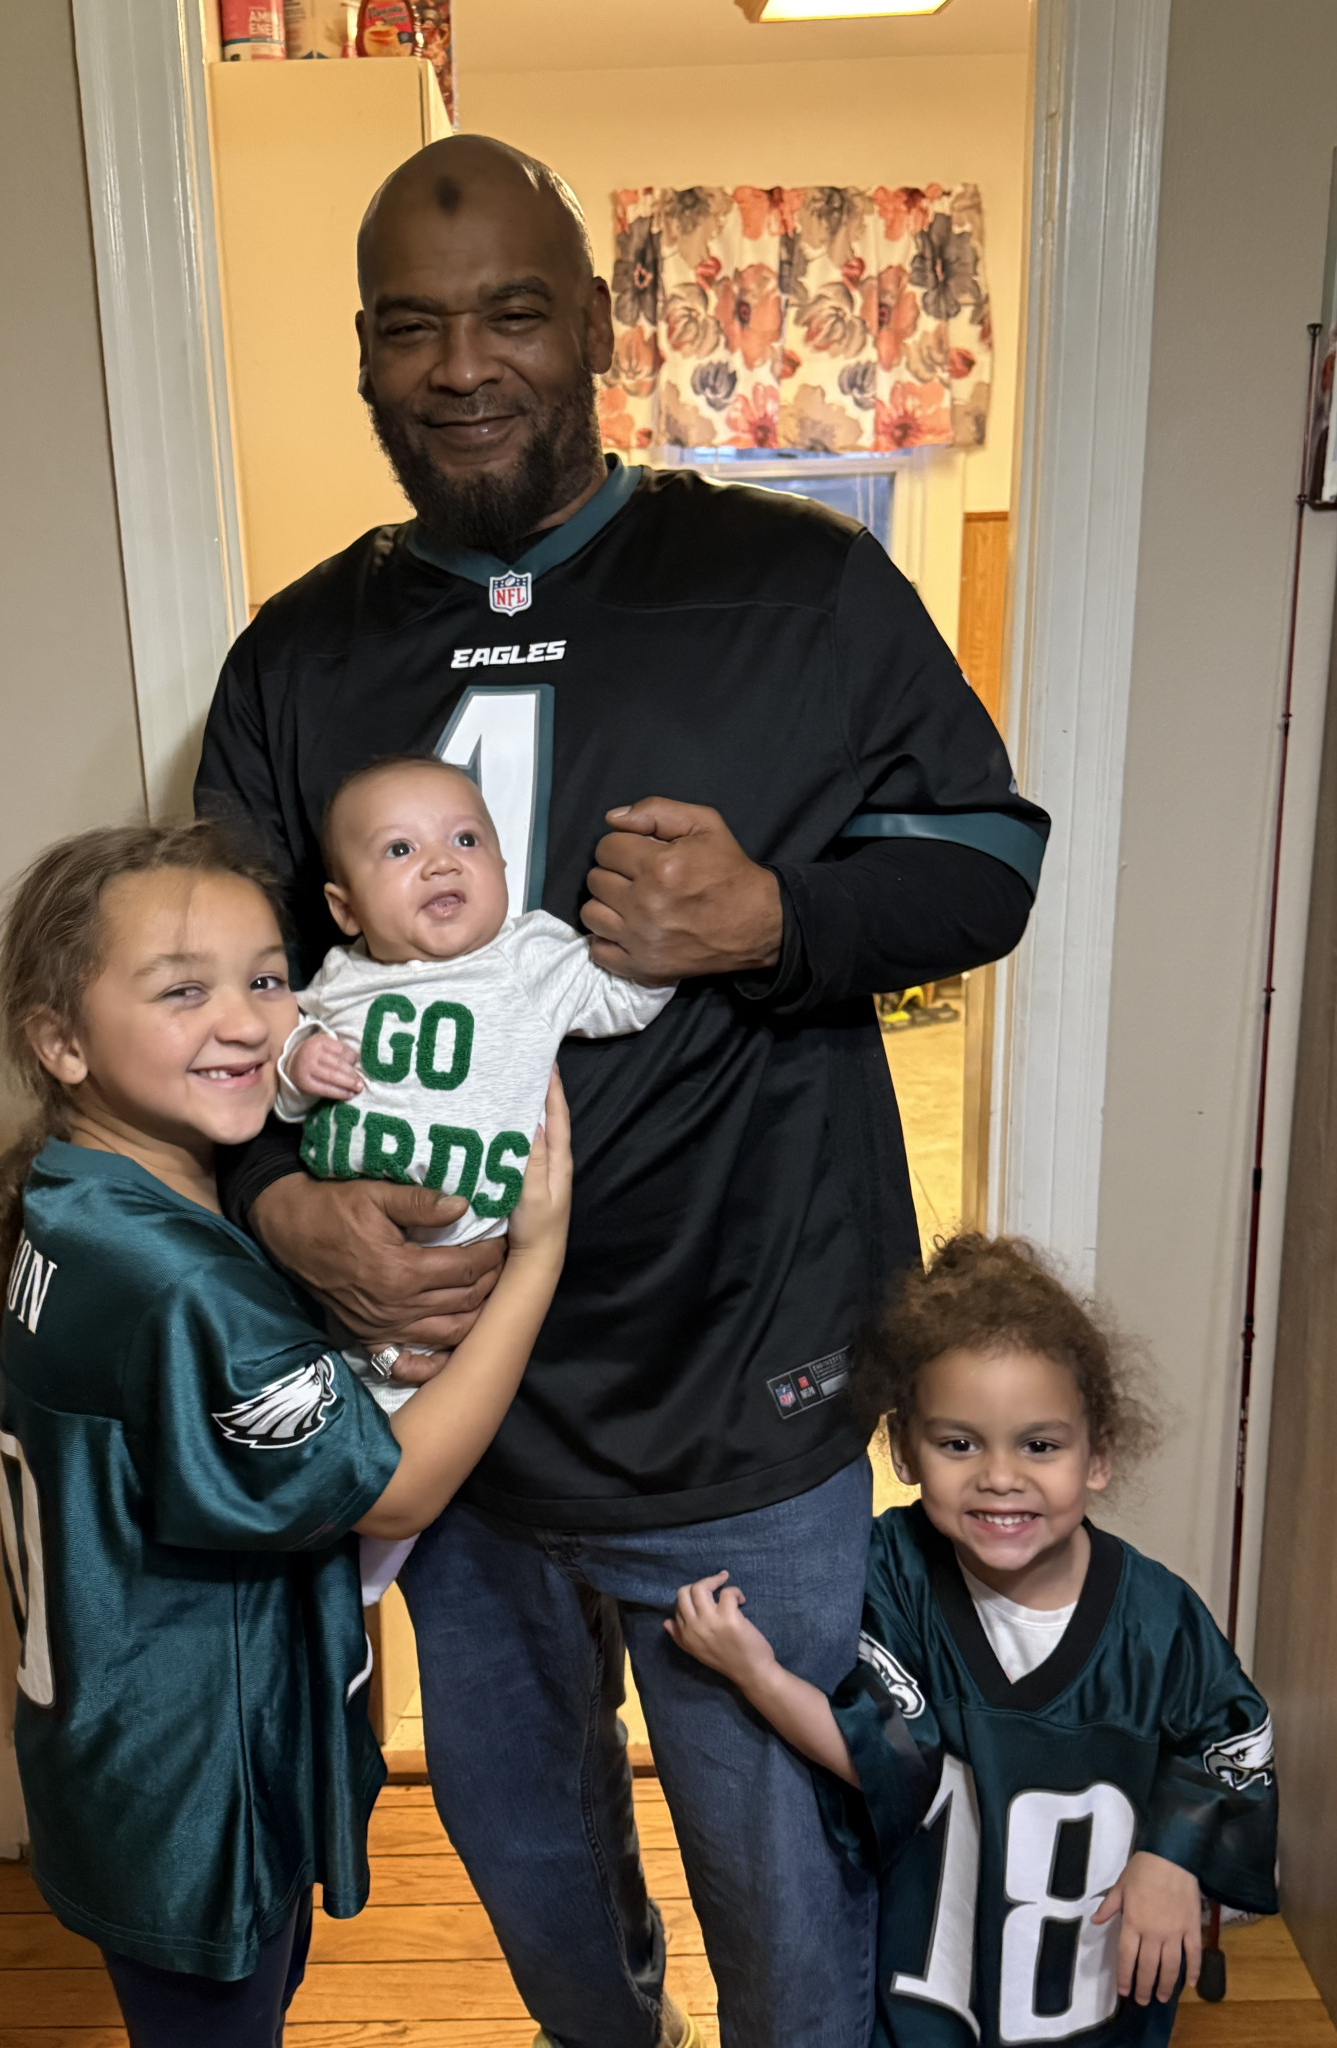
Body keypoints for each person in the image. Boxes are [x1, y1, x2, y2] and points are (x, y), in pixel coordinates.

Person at [195, 132, 1049, 2048]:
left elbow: (985, 858)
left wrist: (776, 914)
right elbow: (209, 1007)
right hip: (440, 1410)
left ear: (596, 321)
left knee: (784, 1874)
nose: (462, 367)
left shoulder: (797, 584)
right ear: (362, 351)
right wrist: (278, 1206)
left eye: (511, 312)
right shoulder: (295, 654)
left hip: (739, 1372)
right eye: (411, 326)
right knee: (533, 1855)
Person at [0, 819, 571, 2048]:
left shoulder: (77, 1205)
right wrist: (537, 1253)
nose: (244, 1020)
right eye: (183, 990)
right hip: (196, 1791)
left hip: (114, 1753)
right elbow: (393, 1491)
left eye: (269, 978)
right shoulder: (180, 1283)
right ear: (61, 1040)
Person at [668, 1235, 1278, 2048]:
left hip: (1092, 2005)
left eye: (1039, 1445)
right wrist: (759, 1675)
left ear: (1098, 1453)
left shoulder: (1157, 1621)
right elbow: (881, 1754)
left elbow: (1230, 1742)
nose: (999, 1476)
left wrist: (1175, 1860)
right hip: (932, 2002)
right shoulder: (892, 1575)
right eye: (959, 1443)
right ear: (904, 1448)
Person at [276, 752, 672, 1601]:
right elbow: (280, 1073)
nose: (440, 863)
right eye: (399, 850)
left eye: (465, 840)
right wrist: (298, 1063)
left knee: (405, 1460)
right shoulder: (340, 980)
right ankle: (331, 1586)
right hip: (333, 1283)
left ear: (502, 865)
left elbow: (625, 999)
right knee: (317, 1444)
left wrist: (664, 942)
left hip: (463, 1283)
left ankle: (360, 1574)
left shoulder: (530, 955)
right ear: (345, 909)